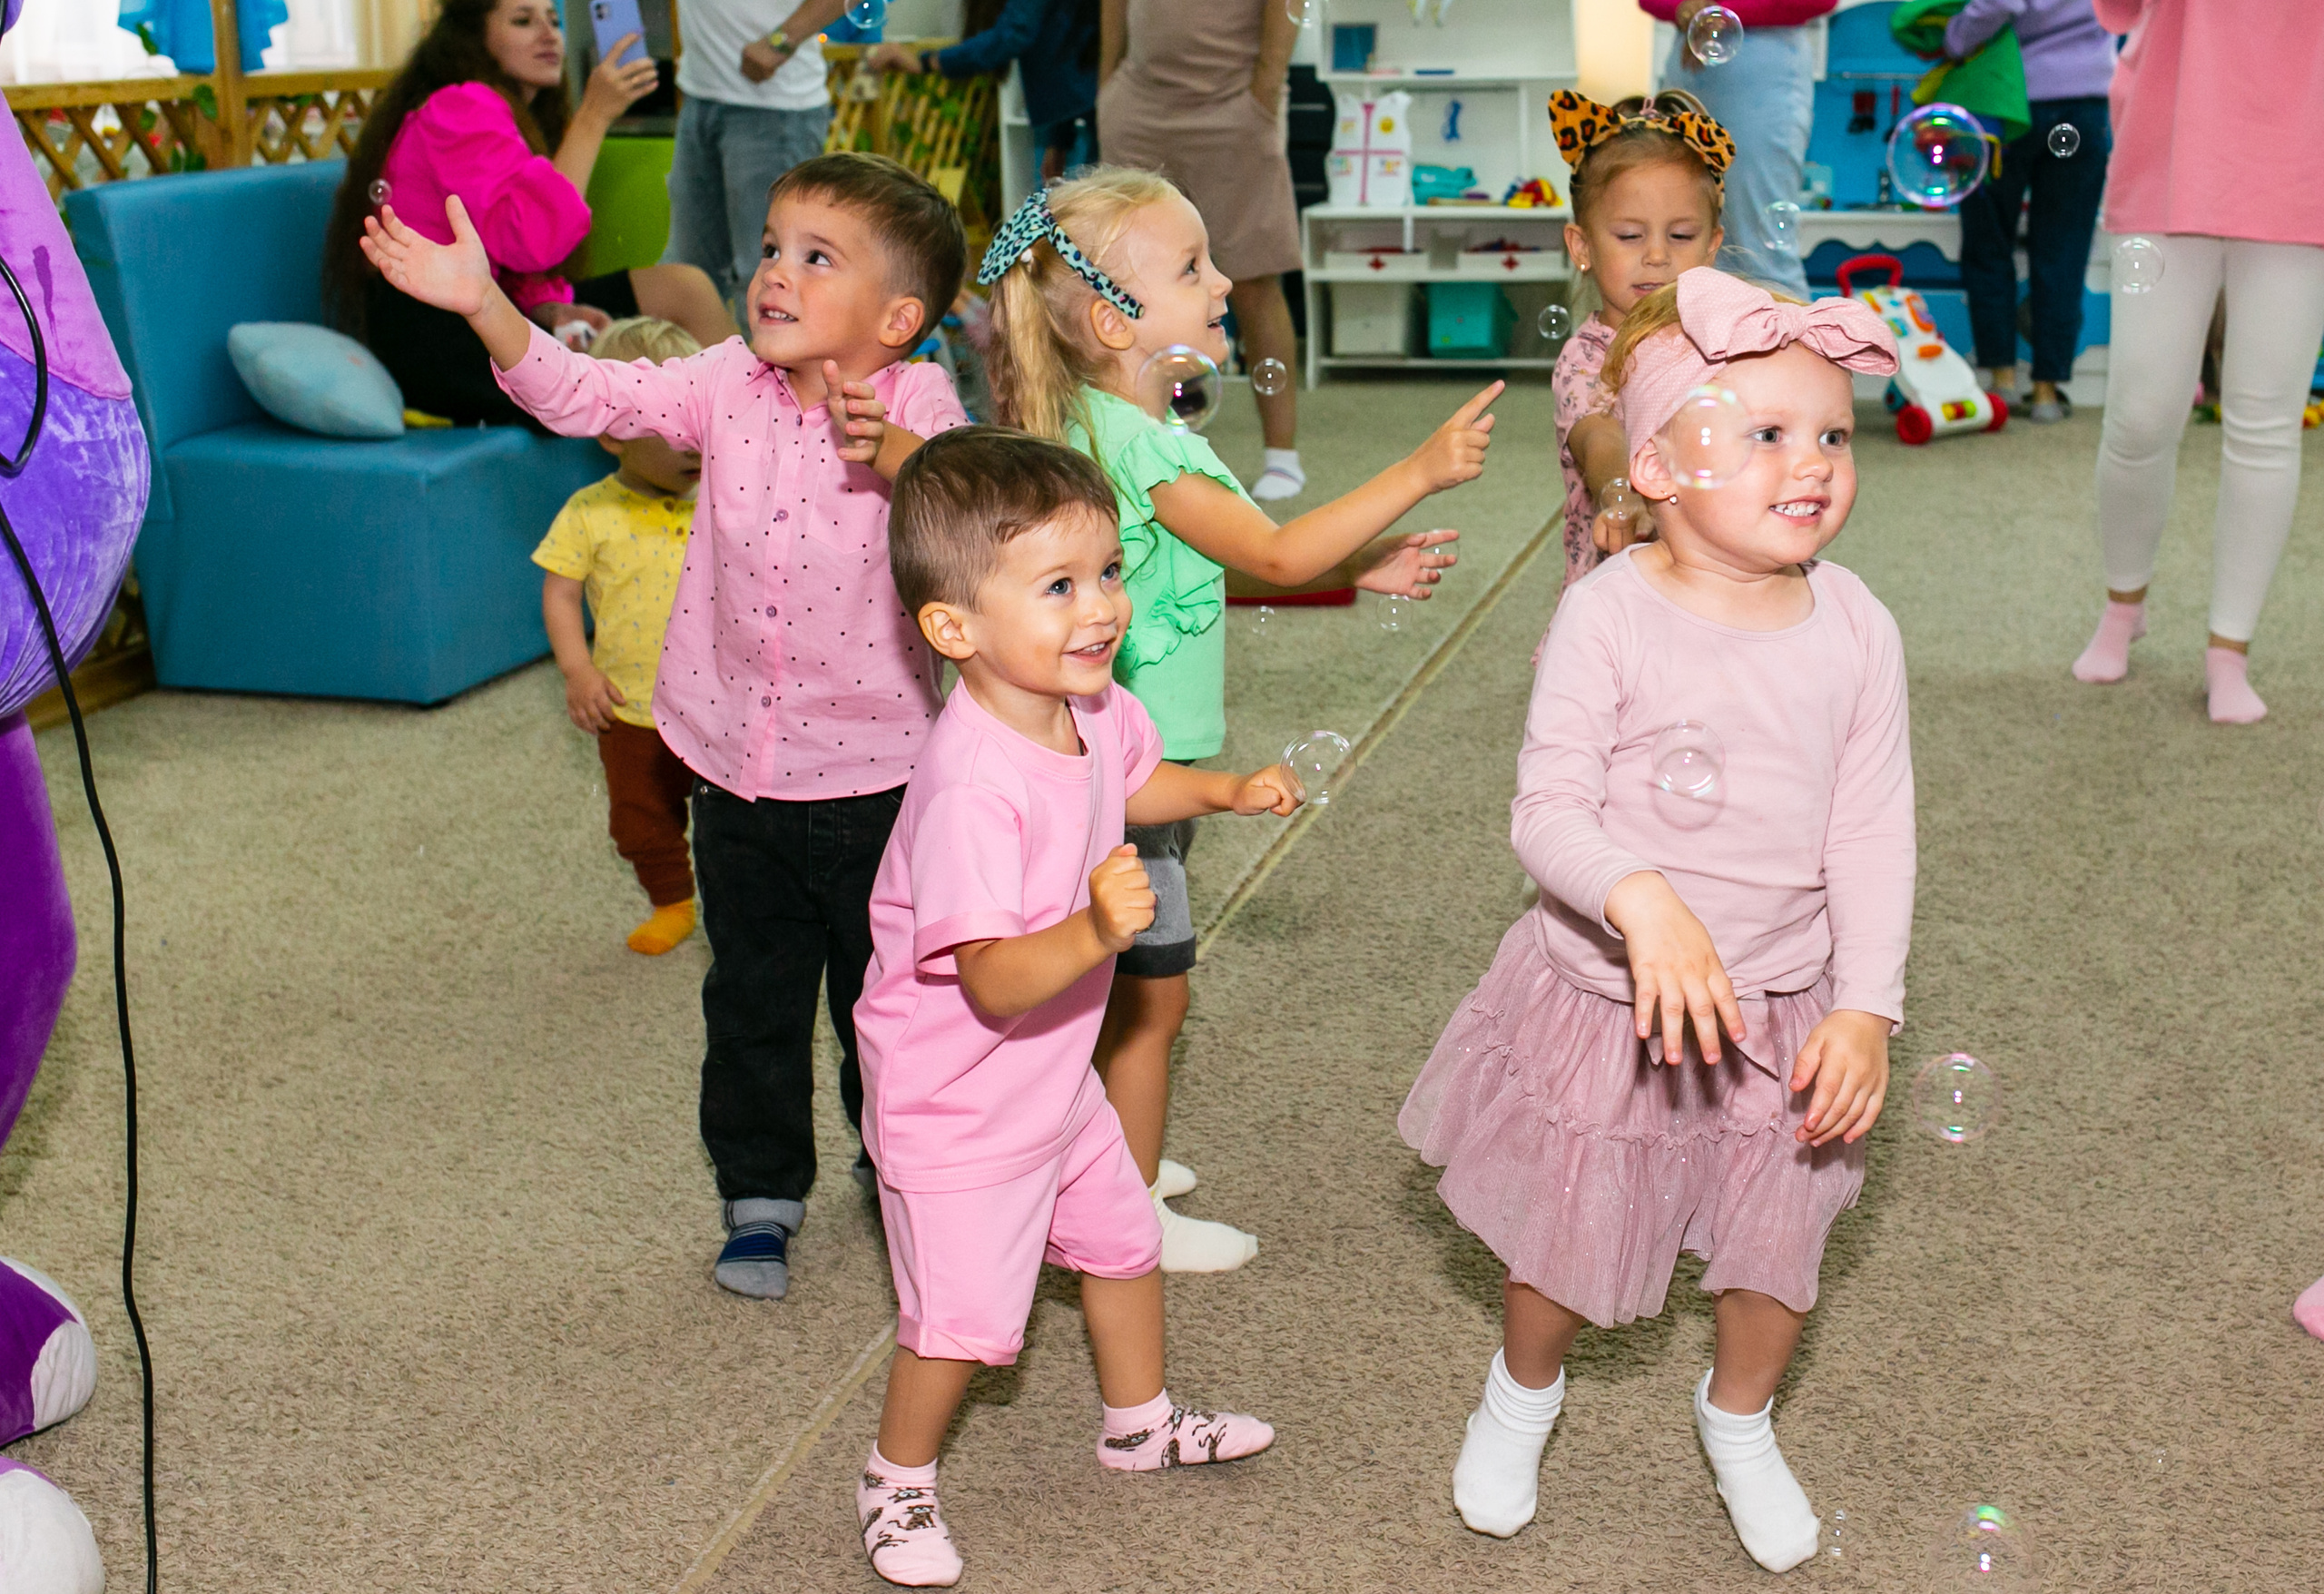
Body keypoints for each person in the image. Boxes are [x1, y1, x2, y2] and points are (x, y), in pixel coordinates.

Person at [361, 152, 970, 1298]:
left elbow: (979, 500)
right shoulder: (726, 378)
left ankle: (900, 1171)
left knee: (888, 1008)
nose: (775, 274)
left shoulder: (915, 402)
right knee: (749, 997)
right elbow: (592, 396)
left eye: (815, 258)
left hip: (883, 779)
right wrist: (485, 305)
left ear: (899, 319)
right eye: (775, 247)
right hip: (735, 767)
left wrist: (885, 449)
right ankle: (758, 1192)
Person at [1401, 268, 1910, 1573]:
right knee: (1567, 1233)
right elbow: (1546, 807)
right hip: (1610, 1005)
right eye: (1767, 434)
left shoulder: (1857, 624)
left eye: (1832, 434)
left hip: (1787, 1005)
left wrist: (1866, 1005)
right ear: (1661, 467)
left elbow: (1871, 830)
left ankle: (1739, 1420)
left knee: (1776, 1249)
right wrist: (1643, 900)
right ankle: (1523, 1394)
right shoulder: (1607, 611)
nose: (1814, 465)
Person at [980, 168, 1489, 1270]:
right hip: (1127, 783)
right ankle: (1129, 1220)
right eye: (1192, 267)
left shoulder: (1092, 423)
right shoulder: (1155, 448)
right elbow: (1267, 548)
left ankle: (1113, 1151)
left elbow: (1205, 571)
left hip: (1105, 761)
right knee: (1153, 1002)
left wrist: (1355, 577)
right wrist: (1418, 471)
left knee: (1108, 992)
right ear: (1117, 320)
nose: (1222, 281)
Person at [850, 426, 1290, 1588]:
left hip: (1054, 1077)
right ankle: (894, 1479)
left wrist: (1228, 791)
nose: (1101, 607)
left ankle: (1136, 1423)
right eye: (1058, 586)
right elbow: (991, 977)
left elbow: (1136, 781)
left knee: (1122, 1239)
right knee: (962, 1325)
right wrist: (1098, 930)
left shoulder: (1087, 709)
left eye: (1108, 573)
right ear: (953, 630)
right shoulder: (968, 789)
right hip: (958, 1106)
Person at [2069, 0, 2324, 725]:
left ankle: (2229, 648)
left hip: (2302, 167)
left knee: (2266, 420)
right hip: (2167, 152)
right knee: (2140, 415)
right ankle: (2124, 605)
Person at [322, 0, 734, 426]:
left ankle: (753, 434)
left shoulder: (502, 111)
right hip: (440, 342)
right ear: (473, 39)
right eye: (523, 20)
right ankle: (754, 442)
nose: (548, 34)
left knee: (684, 289)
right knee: (661, 338)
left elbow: (500, 252)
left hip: (482, 311)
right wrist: (593, 116)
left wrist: (548, 309)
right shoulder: (460, 106)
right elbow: (534, 242)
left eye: (554, 21)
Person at [531, 316, 705, 958]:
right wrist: (578, 670)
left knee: (737, 822)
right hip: (631, 707)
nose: (694, 444)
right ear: (610, 433)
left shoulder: (722, 498)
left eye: (699, 419)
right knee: (639, 819)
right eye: (670, 426)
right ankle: (674, 900)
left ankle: (740, 894)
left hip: (719, 703)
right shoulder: (589, 511)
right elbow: (560, 592)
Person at [1097, 0, 1305, 499]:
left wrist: (1262, 97)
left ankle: (1281, 454)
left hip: (1232, 106)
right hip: (1140, 107)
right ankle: (1153, 440)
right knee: (1131, 285)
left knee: (1254, 280)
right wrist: (1106, 87)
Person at [1546, 89, 1734, 594]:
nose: (1656, 255)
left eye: (1681, 236)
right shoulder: (1586, 358)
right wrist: (1619, 490)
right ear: (1581, 246)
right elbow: (1598, 435)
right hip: (1621, 593)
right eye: (1630, 236)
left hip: (1720, 573)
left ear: (1712, 245)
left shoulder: (1731, 341)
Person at [1941, 0, 2117, 423]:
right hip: (2088, 103)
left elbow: (1996, 5)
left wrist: (1955, 37)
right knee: (2065, 248)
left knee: (1988, 240)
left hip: (2008, 101)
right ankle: (2046, 392)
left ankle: (2002, 380)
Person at [663, 0, 851, 313]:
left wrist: (781, 41)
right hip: (701, 96)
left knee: (766, 277)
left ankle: (770, 363)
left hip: (775, 108)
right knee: (691, 272)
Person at [1645, 0, 1836, 301]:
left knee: (1760, 250)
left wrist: (1713, 8)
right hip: (1691, 72)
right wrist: (1687, 9)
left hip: (1761, 81)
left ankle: (1795, 344)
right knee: (1682, 242)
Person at [867, 0, 1101, 182]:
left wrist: (927, 62)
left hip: (1094, 103)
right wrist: (1059, 140)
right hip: (1085, 103)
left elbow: (1012, 34)